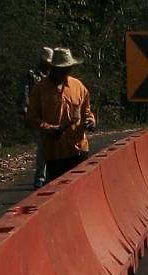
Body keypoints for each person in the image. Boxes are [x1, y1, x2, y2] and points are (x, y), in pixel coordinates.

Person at [27, 47, 96, 183]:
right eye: (62, 69)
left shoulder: (78, 86)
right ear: (53, 68)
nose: (66, 71)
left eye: (68, 68)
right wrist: (49, 128)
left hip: (78, 149)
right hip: (55, 153)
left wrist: (90, 121)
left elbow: (86, 111)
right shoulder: (40, 89)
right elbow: (32, 117)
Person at [21, 46, 52, 188]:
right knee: (43, 145)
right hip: (37, 115)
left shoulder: (52, 76)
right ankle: (40, 177)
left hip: (50, 114)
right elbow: (24, 94)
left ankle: (48, 176)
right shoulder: (32, 75)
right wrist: (26, 112)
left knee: (50, 145)